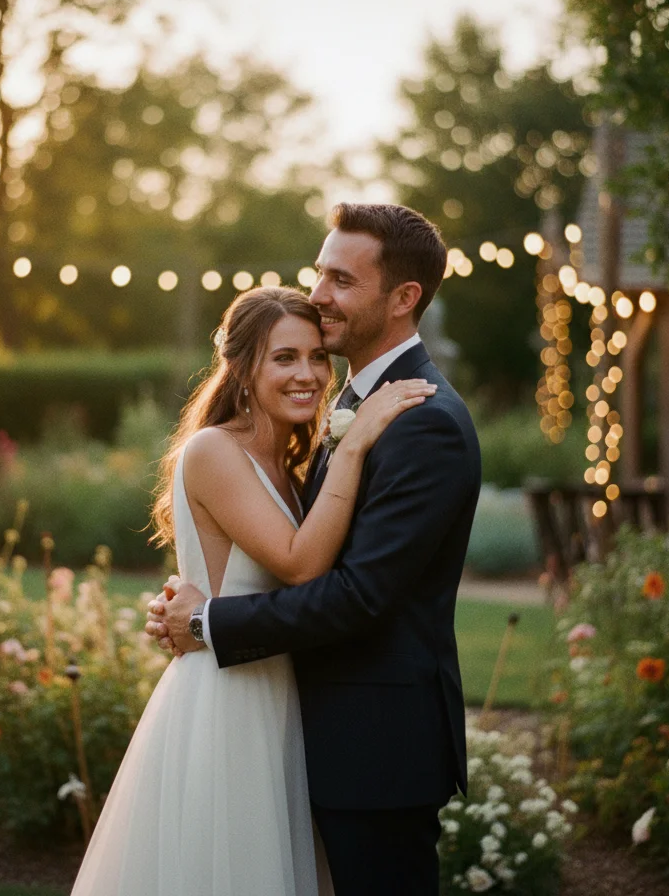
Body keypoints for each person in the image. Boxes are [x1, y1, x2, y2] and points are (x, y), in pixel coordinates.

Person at [148, 202, 482, 896]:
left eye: (340, 280)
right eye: (319, 273)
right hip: (312, 729)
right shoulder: (354, 408)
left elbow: (359, 593)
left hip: (377, 747)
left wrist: (209, 622)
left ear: (403, 298)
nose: (319, 294)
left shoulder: (423, 422)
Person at [69, 285, 434, 896]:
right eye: (283, 357)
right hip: (227, 700)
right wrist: (358, 440)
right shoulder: (214, 450)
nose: (309, 374)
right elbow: (298, 564)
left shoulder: (291, 463)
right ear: (243, 370)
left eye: (317, 356)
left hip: (279, 693)